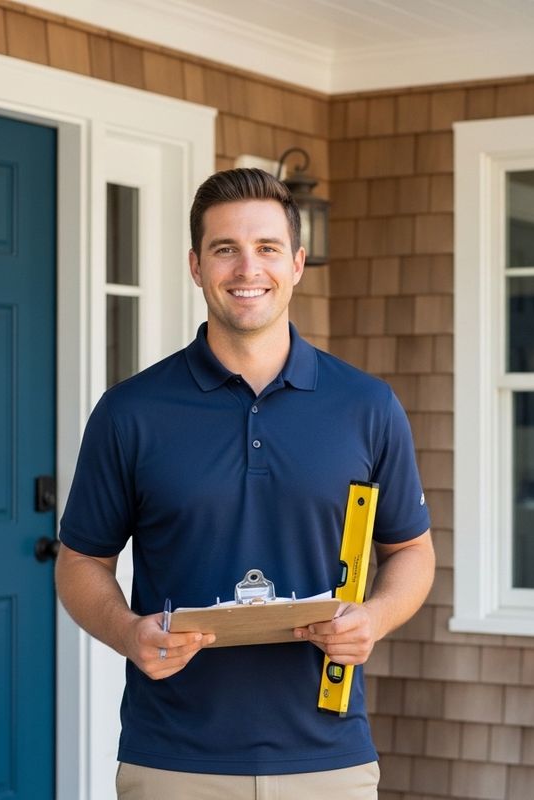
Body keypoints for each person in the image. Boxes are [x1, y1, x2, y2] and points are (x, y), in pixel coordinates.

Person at [55, 167, 435, 799]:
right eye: (224, 248)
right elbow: (81, 561)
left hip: (327, 757)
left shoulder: (367, 406)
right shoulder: (130, 412)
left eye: (267, 248)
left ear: (298, 263)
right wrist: (128, 633)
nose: (246, 268)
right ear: (196, 266)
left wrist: (373, 618)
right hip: (173, 760)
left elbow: (411, 551)